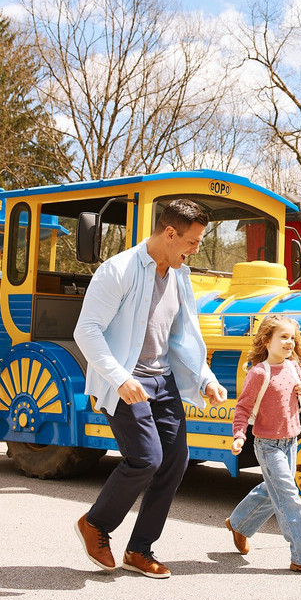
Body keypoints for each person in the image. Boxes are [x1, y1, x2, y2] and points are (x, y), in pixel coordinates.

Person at [72, 198, 228, 579]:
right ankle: (95, 524)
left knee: (174, 462)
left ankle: (139, 549)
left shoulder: (178, 276)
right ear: (169, 233)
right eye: (191, 242)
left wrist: (206, 378)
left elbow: (181, 338)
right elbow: (86, 331)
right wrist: (120, 378)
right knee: (146, 458)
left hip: (163, 381)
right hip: (125, 381)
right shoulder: (119, 270)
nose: (195, 250)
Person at [225, 314, 301, 575]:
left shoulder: (292, 367)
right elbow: (243, 407)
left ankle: (238, 524)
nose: (290, 342)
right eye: (283, 337)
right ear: (267, 341)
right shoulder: (259, 373)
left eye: (293, 337)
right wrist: (238, 435)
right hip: (268, 445)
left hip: (291, 441)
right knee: (289, 497)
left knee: (273, 490)